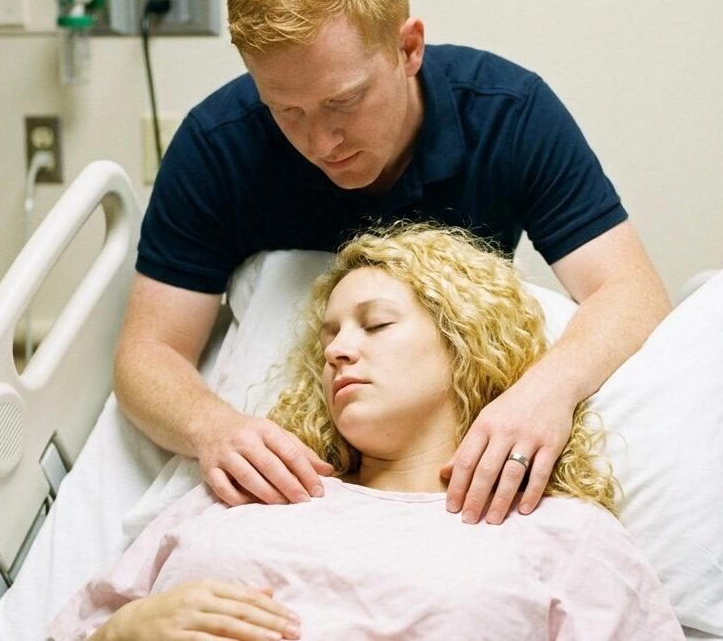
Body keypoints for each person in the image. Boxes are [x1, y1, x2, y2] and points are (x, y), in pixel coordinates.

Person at [114, 0, 671, 526]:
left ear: (408, 49)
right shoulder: (217, 147)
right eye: (286, 111)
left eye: (344, 100)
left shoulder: (507, 115)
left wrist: (544, 393)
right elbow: (148, 352)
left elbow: (630, 290)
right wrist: (213, 428)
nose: (321, 142)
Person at [50, 224, 683, 640]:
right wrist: (123, 631)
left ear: (467, 345)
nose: (337, 351)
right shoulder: (242, 492)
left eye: (375, 325)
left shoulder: (563, 537)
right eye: (328, 336)